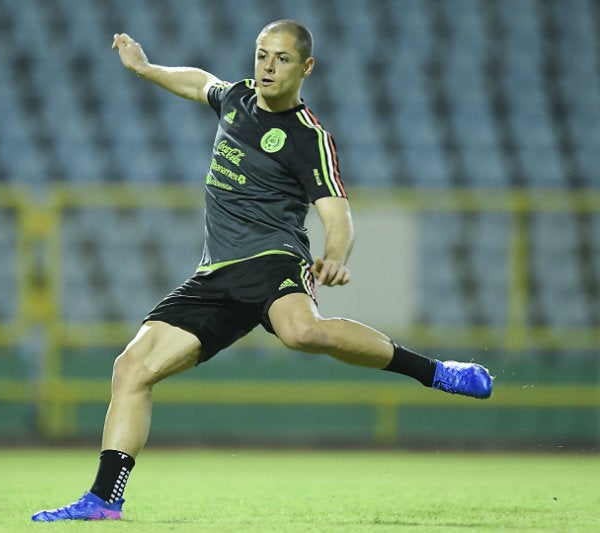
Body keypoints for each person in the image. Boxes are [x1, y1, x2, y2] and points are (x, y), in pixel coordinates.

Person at [32, 20, 492, 522]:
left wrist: (335, 255)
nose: (268, 67)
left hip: (274, 259)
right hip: (216, 274)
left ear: (306, 67)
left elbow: (337, 213)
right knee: (130, 369)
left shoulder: (310, 138)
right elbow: (199, 81)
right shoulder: (238, 99)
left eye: (282, 59)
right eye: (261, 55)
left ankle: (435, 373)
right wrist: (145, 69)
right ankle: (104, 500)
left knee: (301, 333)